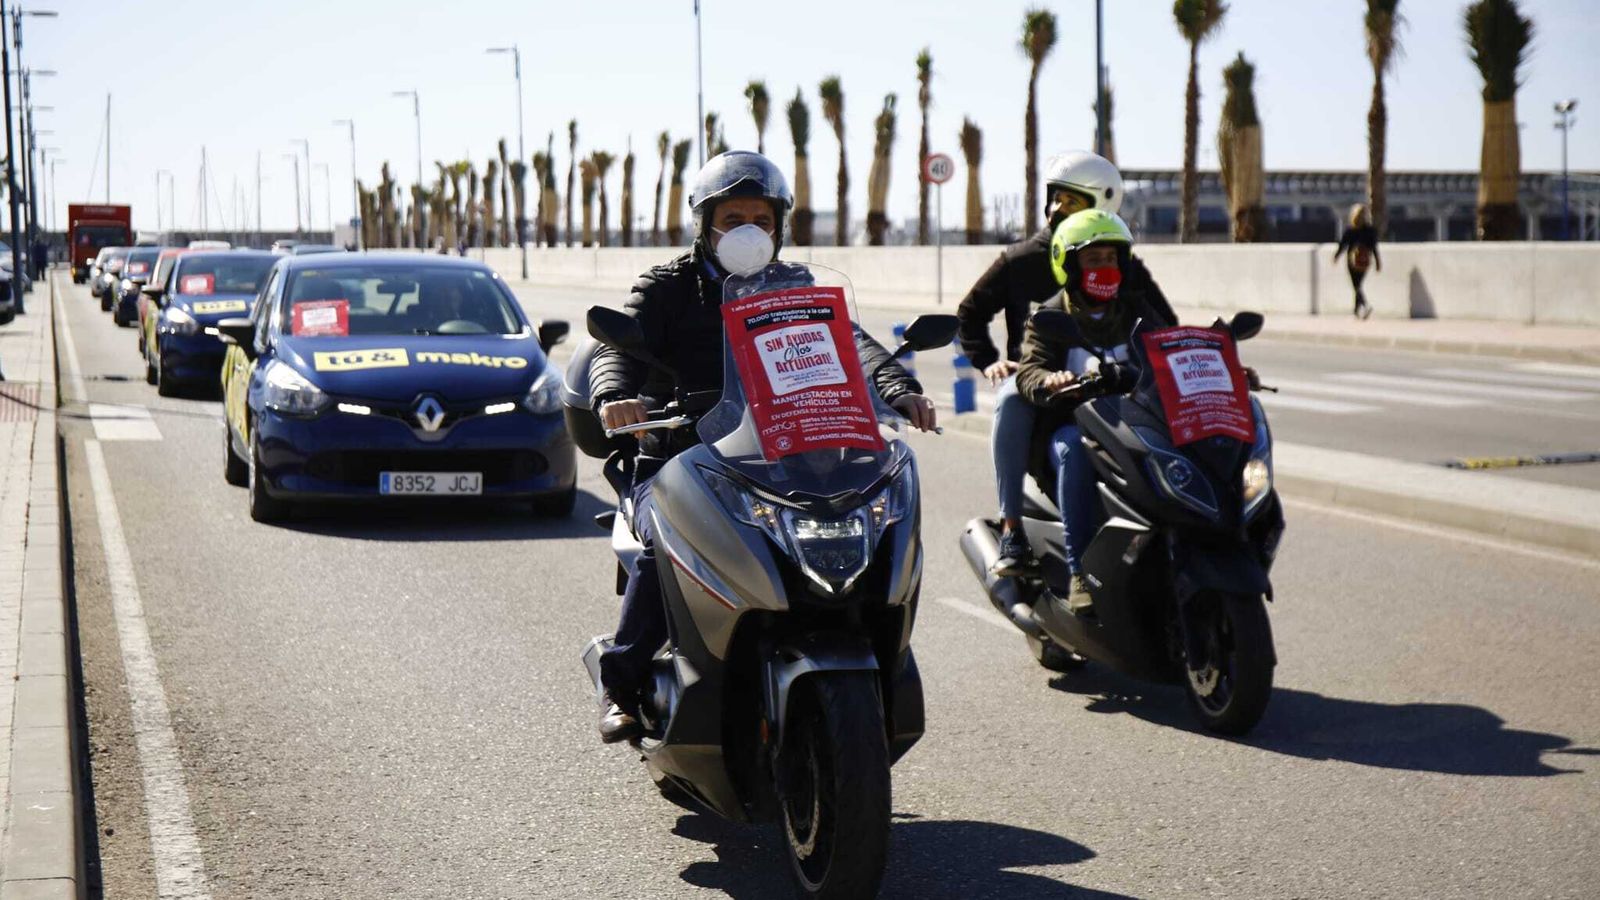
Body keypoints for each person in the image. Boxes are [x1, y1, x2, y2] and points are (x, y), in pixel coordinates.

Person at [588, 150, 937, 743]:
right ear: (705, 225)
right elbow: (618, 348)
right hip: (679, 455)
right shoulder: (667, 287)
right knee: (663, 548)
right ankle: (622, 681)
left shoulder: (796, 286)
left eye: (762, 219)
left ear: (779, 227)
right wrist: (614, 396)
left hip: (781, 456)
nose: (749, 231)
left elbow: (851, 343)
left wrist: (898, 388)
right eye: (733, 218)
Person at [956, 151, 1175, 576]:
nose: (1057, 209)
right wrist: (990, 363)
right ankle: (1012, 527)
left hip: (1114, 392)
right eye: (1055, 198)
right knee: (1010, 399)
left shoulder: (1125, 271)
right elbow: (970, 313)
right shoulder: (1021, 260)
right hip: (1041, 380)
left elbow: (1167, 331)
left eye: (1072, 201)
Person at [1014, 210, 1174, 613]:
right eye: (1092, 260)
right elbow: (1029, 369)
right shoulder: (1050, 316)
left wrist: (1224, 368)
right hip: (1074, 424)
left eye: (1110, 258)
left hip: (1136, 422)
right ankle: (1079, 570)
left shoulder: (1136, 310)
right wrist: (1049, 382)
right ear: (1069, 265)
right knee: (1073, 452)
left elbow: (1170, 347)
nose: (1104, 267)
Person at [1333, 203, 1380, 319]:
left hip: (1352, 261)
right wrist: (1378, 261)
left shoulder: (1351, 230)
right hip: (1365, 261)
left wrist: (1336, 256)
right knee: (1358, 284)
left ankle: (1364, 305)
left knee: (1356, 285)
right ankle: (1356, 310)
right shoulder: (1370, 230)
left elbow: (1343, 245)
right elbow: (1373, 247)